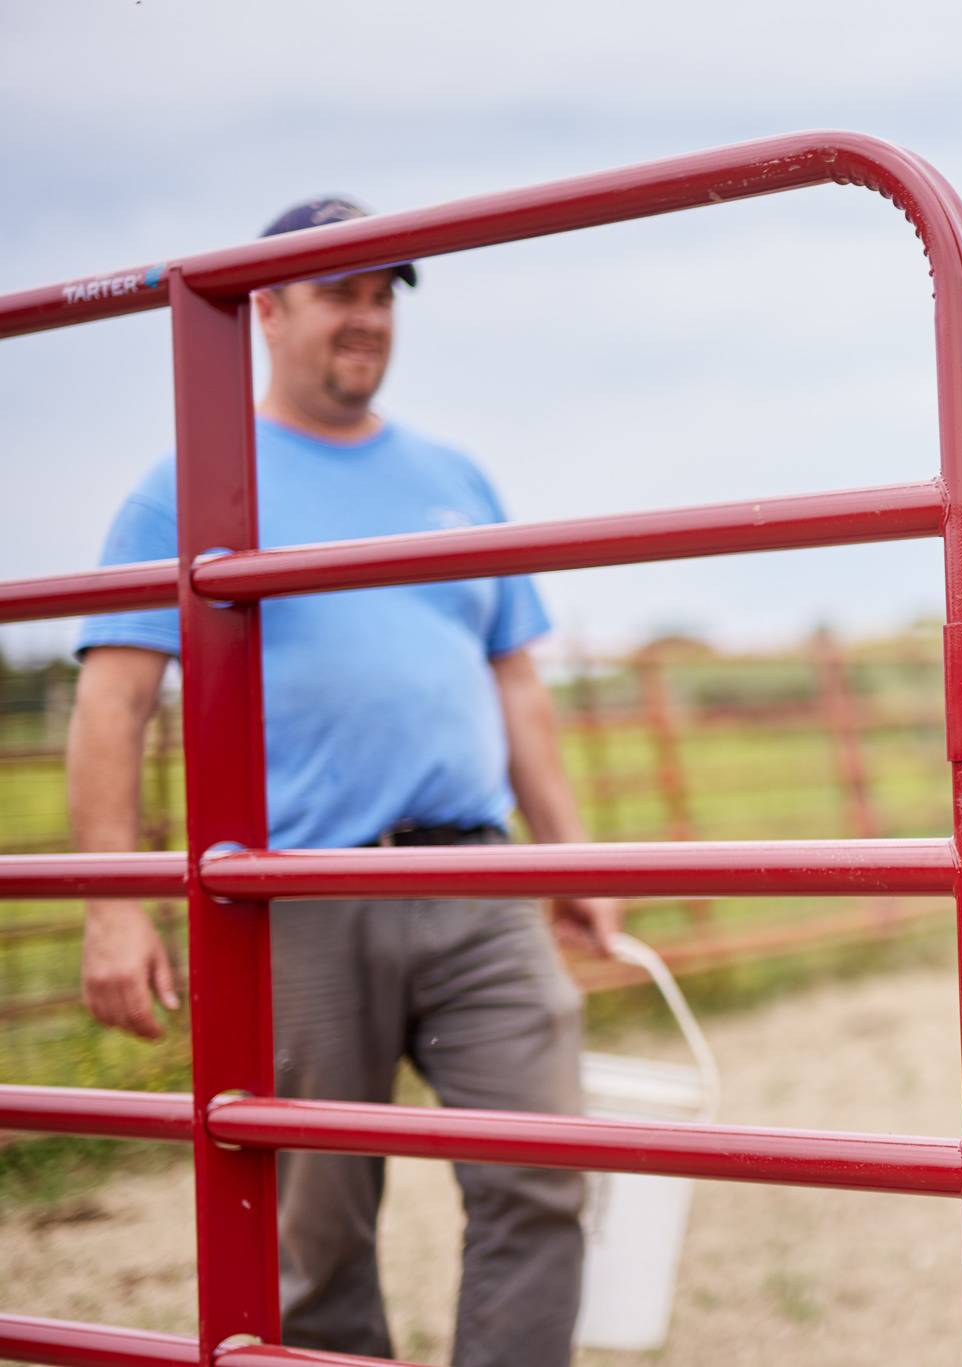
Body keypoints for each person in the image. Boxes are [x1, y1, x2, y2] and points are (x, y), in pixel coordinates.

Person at [68, 196, 620, 1367]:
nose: (367, 317)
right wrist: (112, 904)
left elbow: (516, 683)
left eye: (384, 294)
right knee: (314, 1230)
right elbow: (114, 701)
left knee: (544, 1169)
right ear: (267, 311)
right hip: (297, 891)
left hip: (476, 878)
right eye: (340, 293)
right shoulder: (192, 485)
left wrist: (571, 857)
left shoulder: (456, 477)